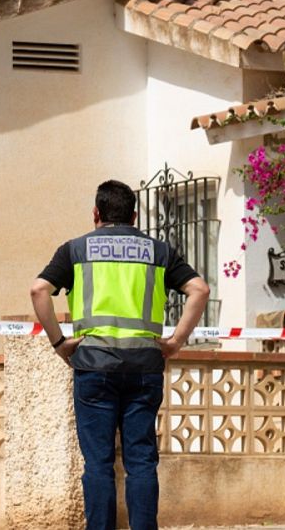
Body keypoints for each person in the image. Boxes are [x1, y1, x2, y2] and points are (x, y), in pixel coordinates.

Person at [31, 180, 210, 530]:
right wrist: (176, 341)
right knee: (141, 461)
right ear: (135, 215)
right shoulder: (158, 251)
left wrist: (59, 343)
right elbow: (199, 289)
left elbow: (39, 289)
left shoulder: (75, 250)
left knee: (97, 465)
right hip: (144, 367)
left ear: (96, 214)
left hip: (93, 365)